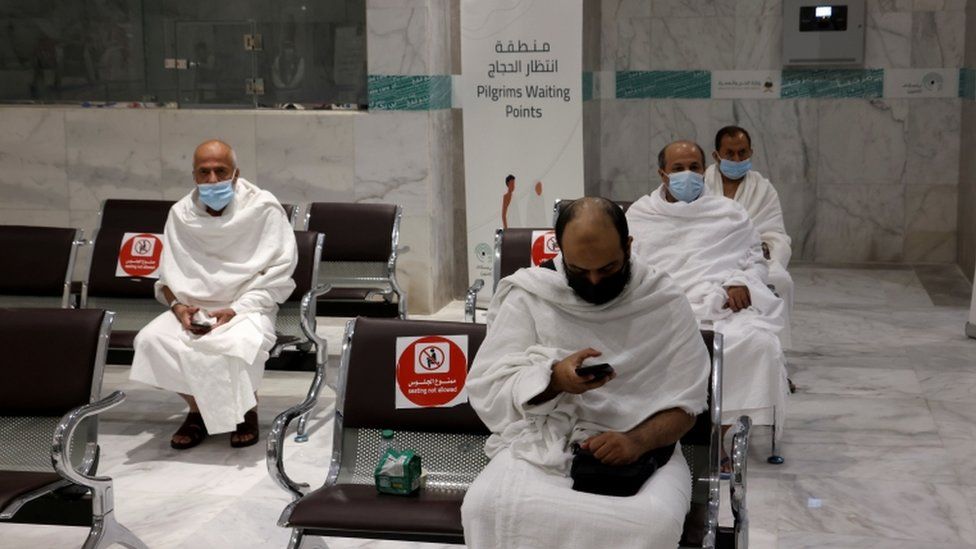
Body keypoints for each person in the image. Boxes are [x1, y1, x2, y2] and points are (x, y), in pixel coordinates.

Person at [462, 197, 709, 549]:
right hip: (546, 442)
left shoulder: (663, 300)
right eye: (579, 271)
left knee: (650, 523)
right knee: (486, 506)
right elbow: (489, 387)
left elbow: (687, 405)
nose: (593, 281)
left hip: (646, 447)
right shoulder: (534, 294)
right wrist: (553, 380)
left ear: (628, 246)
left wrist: (635, 442)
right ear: (561, 250)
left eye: (607, 269)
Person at [626, 140, 789, 459]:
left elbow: (755, 258)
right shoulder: (641, 213)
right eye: (678, 168)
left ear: (704, 170)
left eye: (694, 167)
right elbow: (627, 264)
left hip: (720, 305)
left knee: (758, 344)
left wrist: (741, 281)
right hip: (660, 305)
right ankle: (659, 432)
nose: (688, 174)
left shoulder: (729, 213)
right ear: (662, 173)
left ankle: (717, 437)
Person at [130, 140, 297, 450]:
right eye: (203, 172)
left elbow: (279, 270)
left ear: (236, 173)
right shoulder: (180, 214)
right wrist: (179, 308)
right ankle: (197, 409)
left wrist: (236, 308)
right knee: (151, 341)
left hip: (247, 305)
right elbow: (167, 277)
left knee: (236, 343)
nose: (212, 180)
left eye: (220, 171)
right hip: (193, 307)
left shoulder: (262, 207)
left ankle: (247, 410)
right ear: (194, 176)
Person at [705, 125, 794, 348]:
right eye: (730, 153)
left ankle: (776, 356)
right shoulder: (701, 184)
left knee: (781, 280)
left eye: (742, 152)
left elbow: (776, 235)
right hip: (708, 257)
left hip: (750, 259)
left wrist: (763, 247)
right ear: (716, 155)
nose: (737, 159)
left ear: (751, 152)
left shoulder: (764, 189)